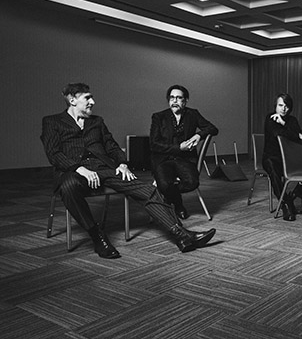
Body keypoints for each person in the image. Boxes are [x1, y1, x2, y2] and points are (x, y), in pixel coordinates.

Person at [41, 83, 216, 259]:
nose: (92, 102)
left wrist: (122, 164)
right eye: (87, 98)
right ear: (72, 100)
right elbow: (53, 153)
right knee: (68, 187)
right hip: (73, 172)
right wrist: (79, 169)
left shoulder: (97, 121)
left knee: (148, 190)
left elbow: (111, 146)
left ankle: (181, 234)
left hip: (104, 169)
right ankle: (97, 236)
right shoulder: (52, 122)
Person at [150, 84, 218, 220]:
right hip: (163, 160)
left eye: (178, 98)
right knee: (164, 184)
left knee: (192, 182)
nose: (174, 101)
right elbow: (154, 144)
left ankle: (168, 196)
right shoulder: (159, 117)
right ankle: (178, 205)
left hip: (185, 159)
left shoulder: (193, 114)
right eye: (172, 98)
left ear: (185, 101)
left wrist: (198, 135)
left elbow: (213, 129)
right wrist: (178, 148)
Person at [262, 93, 302, 221]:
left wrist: (284, 124)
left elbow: (299, 137)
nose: (283, 109)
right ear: (275, 106)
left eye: (286, 106)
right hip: (272, 158)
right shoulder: (271, 118)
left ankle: (294, 197)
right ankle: (285, 204)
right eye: (280, 105)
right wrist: (296, 134)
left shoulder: (292, 120)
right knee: (274, 172)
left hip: (289, 161)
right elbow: (279, 133)